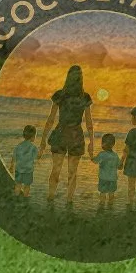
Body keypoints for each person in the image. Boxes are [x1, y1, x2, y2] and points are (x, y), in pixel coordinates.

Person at [44, 64, 94, 207]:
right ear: (81, 79)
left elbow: (51, 119)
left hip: (60, 133)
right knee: (72, 172)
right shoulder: (85, 97)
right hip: (76, 135)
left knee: (56, 169)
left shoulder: (60, 94)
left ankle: (50, 198)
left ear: (68, 77)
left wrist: (42, 140)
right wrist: (91, 142)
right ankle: (69, 202)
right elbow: (89, 123)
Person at [11, 125, 39, 199]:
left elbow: (14, 156)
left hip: (18, 169)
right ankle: (25, 198)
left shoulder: (19, 146)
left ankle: (16, 197)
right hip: (28, 170)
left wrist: (11, 166)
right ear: (33, 136)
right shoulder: (34, 148)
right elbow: (35, 157)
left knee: (18, 184)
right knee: (27, 185)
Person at [95, 134, 120, 211]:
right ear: (113, 144)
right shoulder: (115, 155)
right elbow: (119, 166)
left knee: (102, 192)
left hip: (103, 178)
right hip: (113, 178)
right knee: (111, 193)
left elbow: (95, 161)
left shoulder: (102, 154)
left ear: (103, 144)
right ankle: (110, 206)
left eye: (102, 142)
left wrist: (91, 155)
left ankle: (102, 205)